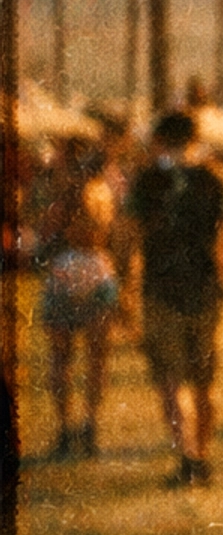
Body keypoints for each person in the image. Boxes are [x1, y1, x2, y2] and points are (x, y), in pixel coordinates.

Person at [125, 109, 223, 487]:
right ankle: (203, 455)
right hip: (208, 292)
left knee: (170, 380)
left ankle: (186, 455)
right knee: (206, 383)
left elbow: (129, 239)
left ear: (159, 140)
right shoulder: (214, 179)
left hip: (160, 290)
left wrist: (128, 291)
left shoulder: (146, 181)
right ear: (195, 140)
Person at [38, 138, 120, 458]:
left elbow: (48, 230)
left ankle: (64, 430)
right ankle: (90, 425)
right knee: (97, 358)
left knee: (61, 358)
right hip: (99, 268)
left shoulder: (70, 192)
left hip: (67, 269)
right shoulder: (106, 192)